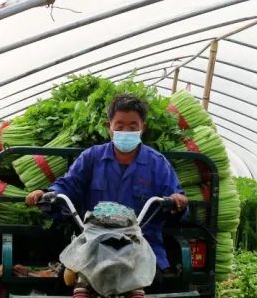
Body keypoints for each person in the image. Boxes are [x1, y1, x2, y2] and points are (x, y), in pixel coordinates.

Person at [25, 93, 188, 271]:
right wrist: (46, 194)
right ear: (108, 127)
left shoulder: (158, 163)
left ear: (143, 128)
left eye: (133, 127)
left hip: (143, 249)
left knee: (153, 288)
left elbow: (177, 199)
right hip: (94, 246)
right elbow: (68, 185)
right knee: (68, 284)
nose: (126, 132)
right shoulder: (91, 158)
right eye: (119, 126)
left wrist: (178, 201)